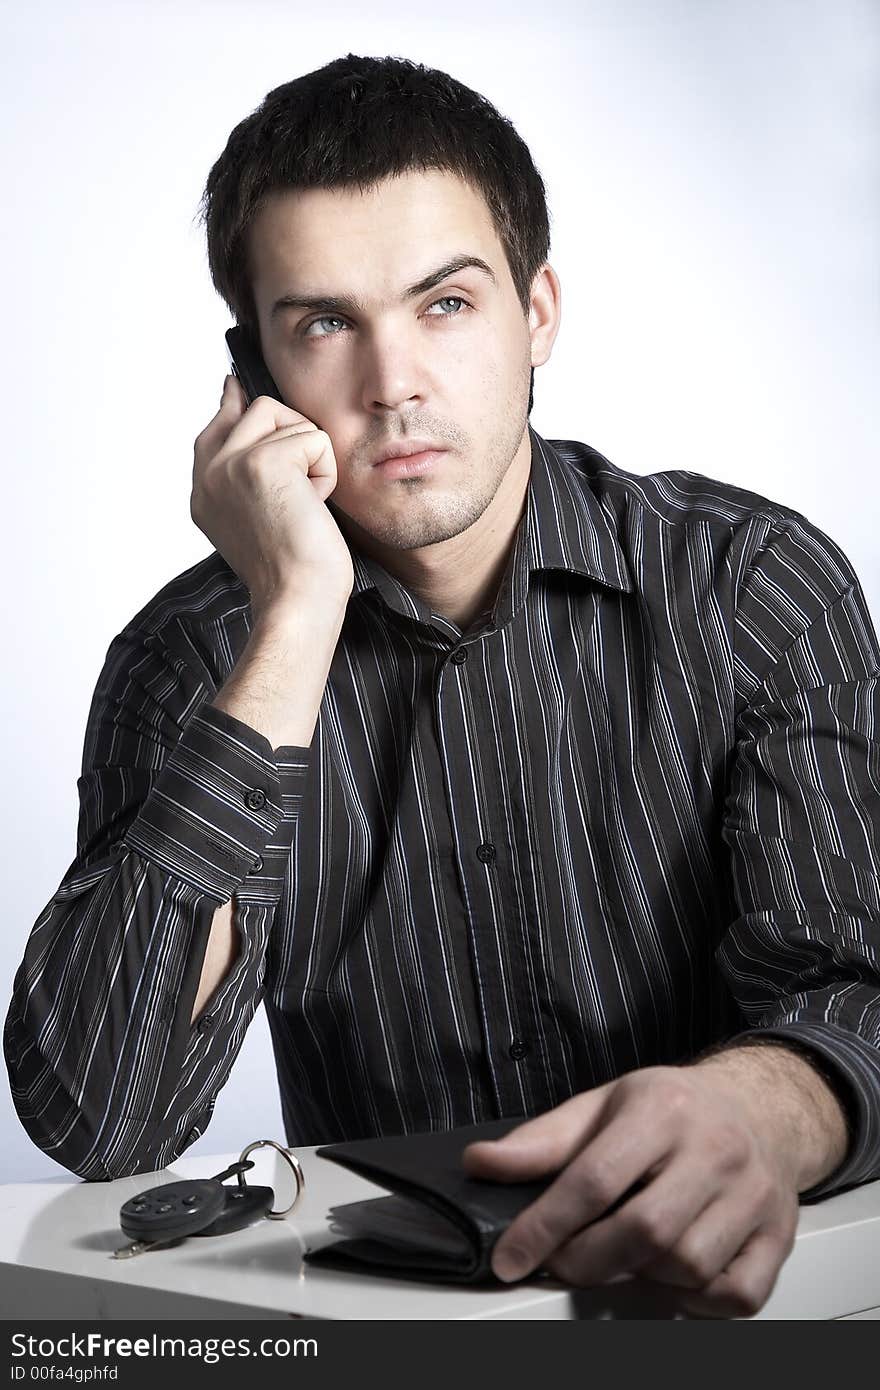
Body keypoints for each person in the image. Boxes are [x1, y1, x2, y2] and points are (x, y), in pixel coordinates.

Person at [6, 53, 880, 1319]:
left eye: (446, 306)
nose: (393, 383)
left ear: (538, 312)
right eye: (324, 324)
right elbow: (102, 1112)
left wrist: (752, 1107)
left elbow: (852, 985)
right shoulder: (194, 662)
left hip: (753, 1308)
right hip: (389, 1330)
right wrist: (293, 618)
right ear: (253, 377)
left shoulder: (753, 588)